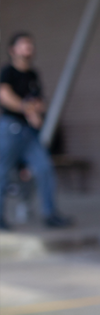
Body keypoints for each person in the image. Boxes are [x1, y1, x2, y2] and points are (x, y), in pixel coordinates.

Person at [0, 32, 72, 230]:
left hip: (29, 133)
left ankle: (50, 214)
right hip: (10, 129)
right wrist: (26, 108)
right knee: (2, 173)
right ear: (12, 50)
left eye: (30, 45)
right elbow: (5, 96)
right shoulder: (7, 72)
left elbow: (39, 101)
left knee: (45, 169)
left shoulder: (33, 74)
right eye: (23, 45)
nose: (28, 48)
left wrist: (37, 110)